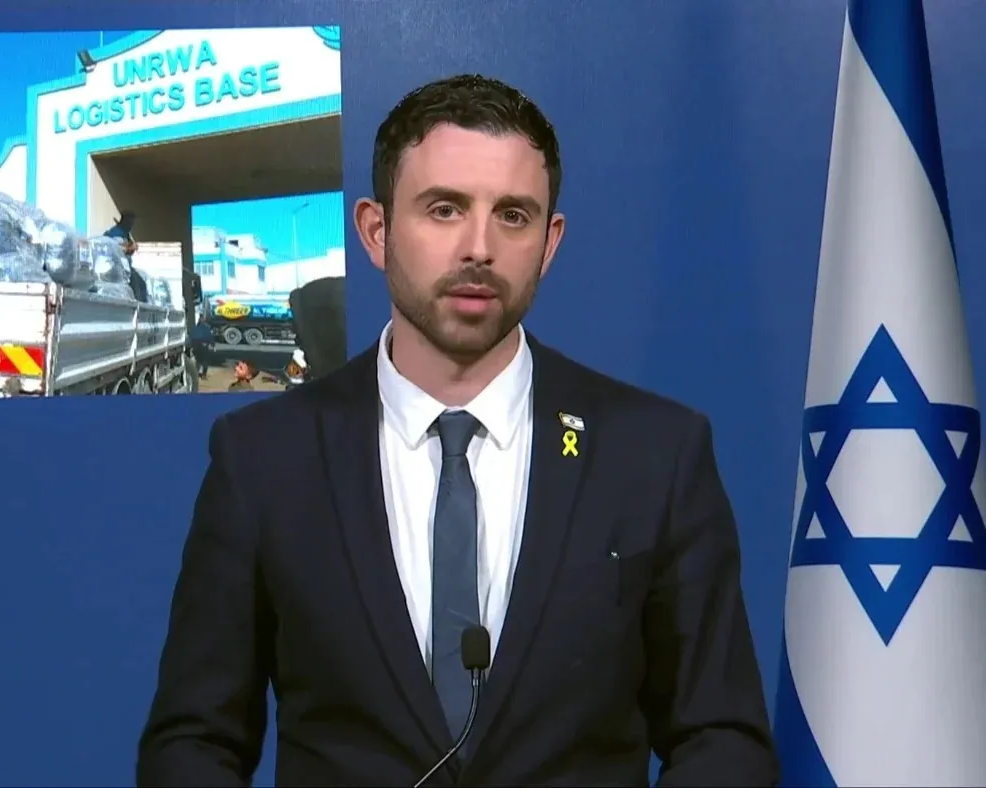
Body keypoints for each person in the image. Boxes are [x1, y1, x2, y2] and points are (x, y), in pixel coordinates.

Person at [136, 74, 778, 786]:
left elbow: (723, 740)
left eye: (513, 215)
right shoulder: (263, 457)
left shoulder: (655, 453)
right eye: (444, 209)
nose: (479, 247)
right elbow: (192, 744)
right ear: (376, 232)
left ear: (549, 243)